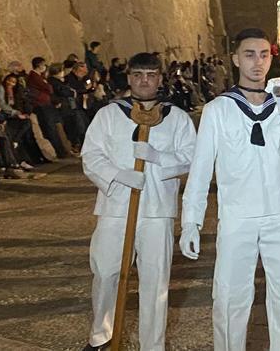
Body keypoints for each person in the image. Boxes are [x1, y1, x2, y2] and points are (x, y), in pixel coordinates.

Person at [179, 28, 280, 351]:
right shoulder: (218, 110)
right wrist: (190, 221)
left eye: (264, 55)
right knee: (230, 298)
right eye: (250, 55)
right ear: (236, 59)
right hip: (238, 217)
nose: (257, 63)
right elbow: (200, 170)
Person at [80, 52, 196, 351]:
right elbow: (91, 155)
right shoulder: (108, 114)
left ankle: (152, 345)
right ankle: (102, 336)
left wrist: (159, 158)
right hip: (115, 206)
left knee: (155, 282)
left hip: (158, 210)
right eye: (138, 75)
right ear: (129, 78)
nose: (144, 81)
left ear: (160, 79)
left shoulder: (177, 118)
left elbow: (191, 158)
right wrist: (118, 174)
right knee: (106, 273)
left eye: (151, 75)